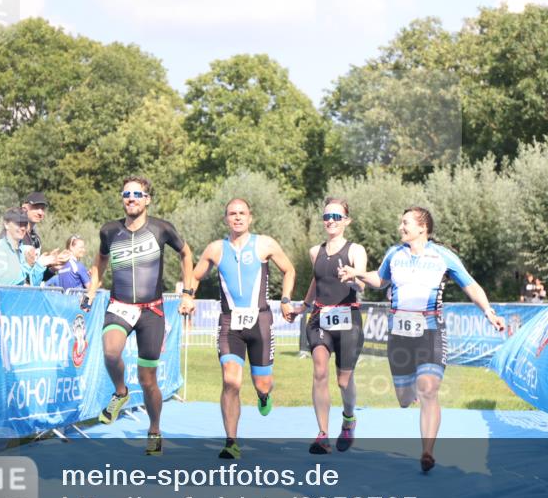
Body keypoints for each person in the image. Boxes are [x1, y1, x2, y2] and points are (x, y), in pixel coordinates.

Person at [339, 206, 506, 472]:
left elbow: (471, 286)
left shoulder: (443, 256)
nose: (401, 227)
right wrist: (357, 274)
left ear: (422, 227)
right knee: (405, 399)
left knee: (428, 389)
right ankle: (412, 391)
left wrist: (488, 311)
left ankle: (427, 451)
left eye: (405, 223)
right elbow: (380, 280)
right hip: (399, 335)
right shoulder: (394, 254)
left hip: (430, 331)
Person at [84, 176, 195, 456]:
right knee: (111, 352)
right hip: (120, 306)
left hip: (151, 311)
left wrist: (187, 292)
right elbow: (100, 259)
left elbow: (186, 254)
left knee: (148, 381)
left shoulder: (161, 229)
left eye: (137, 194)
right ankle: (120, 392)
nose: (131, 198)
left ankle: (154, 430)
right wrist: (92, 288)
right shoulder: (109, 231)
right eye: (126, 194)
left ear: (147, 199)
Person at [192, 198, 296, 460]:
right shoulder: (215, 249)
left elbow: (289, 270)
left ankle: (263, 396)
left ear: (250, 218)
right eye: (232, 213)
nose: (237, 217)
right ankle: (231, 442)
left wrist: (285, 299)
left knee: (263, 384)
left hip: (260, 321)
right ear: (226, 219)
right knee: (230, 380)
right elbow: (194, 276)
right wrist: (186, 295)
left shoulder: (265, 244)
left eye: (242, 213)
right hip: (229, 323)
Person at [287, 198, 367, 455]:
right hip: (320, 318)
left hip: (348, 320)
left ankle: (349, 419)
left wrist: (352, 278)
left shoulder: (356, 250)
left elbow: (361, 284)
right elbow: (317, 280)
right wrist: (303, 306)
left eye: (336, 216)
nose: (331, 221)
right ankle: (322, 434)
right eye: (327, 216)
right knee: (319, 371)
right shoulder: (315, 252)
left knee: (344, 381)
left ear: (346, 221)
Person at [0, 208, 55, 286]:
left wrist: (40, 266)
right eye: (18, 223)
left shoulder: (24, 250)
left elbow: (32, 285)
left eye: (25, 224)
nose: (22, 228)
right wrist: (27, 266)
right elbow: (3, 283)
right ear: (6, 224)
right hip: (2, 294)